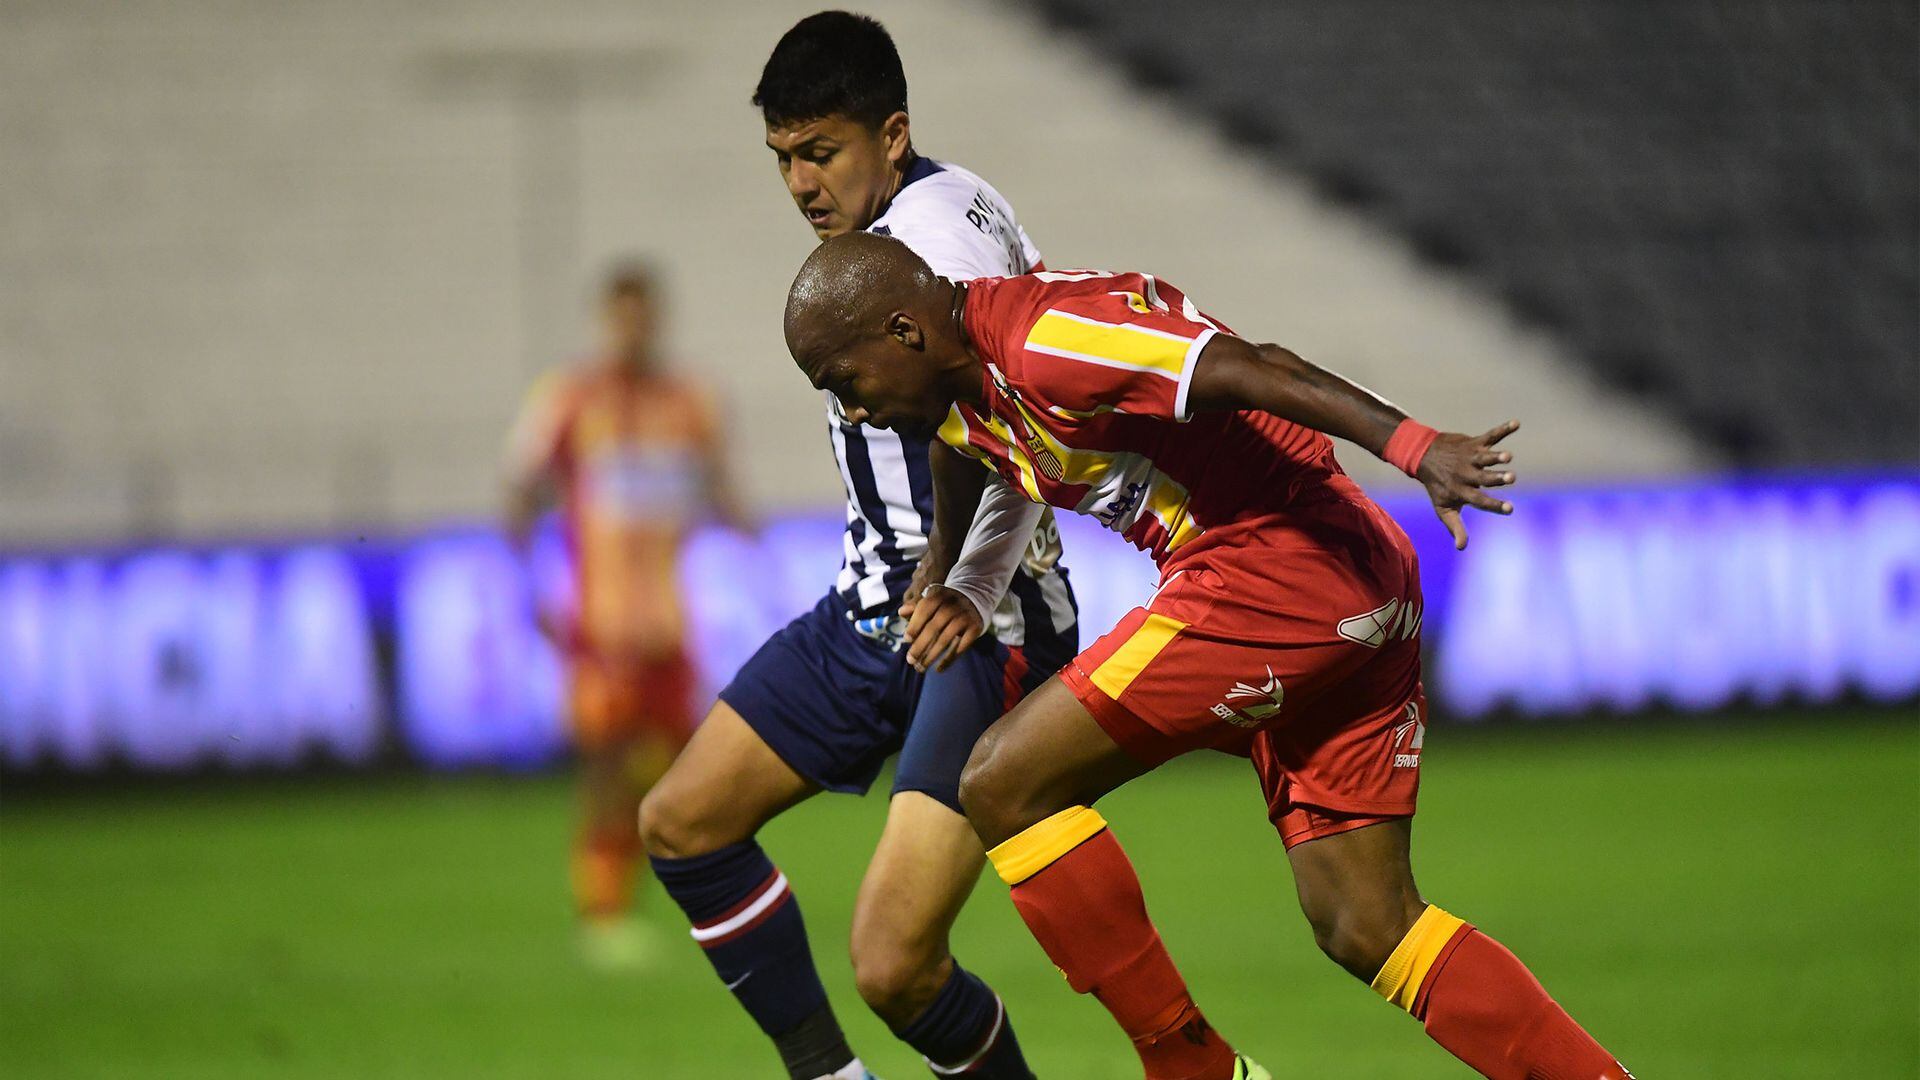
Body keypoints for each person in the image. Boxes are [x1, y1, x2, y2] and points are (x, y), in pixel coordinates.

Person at [783, 232, 1636, 1080]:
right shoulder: (957, 392)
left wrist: (1411, 445)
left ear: (904, 333)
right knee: (1365, 922)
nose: (851, 410)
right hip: (1352, 577)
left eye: (844, 383)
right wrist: (950, 568)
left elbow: (1251, 366)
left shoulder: (1051, 338)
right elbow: (962, 445)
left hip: (1275, 569)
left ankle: (1189, 1067)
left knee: (1002, 781)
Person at [637, 13, 1078, 1080]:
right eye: (783, 157)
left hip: (983, 623)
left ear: (892, 134)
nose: (799, 183)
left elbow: (1027, 430)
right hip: (876, 609)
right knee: (683, 822)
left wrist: (967, 585)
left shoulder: (941, 248)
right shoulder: (912, 222)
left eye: (820, 152)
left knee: (894, 965)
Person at [504, 262, 737, 967]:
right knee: (605, 768)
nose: (635, 329)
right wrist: (529, 592)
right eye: (624, 315)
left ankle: (672, 896)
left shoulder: (691, 402)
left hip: (671, 626)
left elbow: (723, 491)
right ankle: (603, 913)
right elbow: (520, 497)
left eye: (645, 314)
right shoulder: (569, 399)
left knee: (678, 774)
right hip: (599, 627)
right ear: (608, 319)